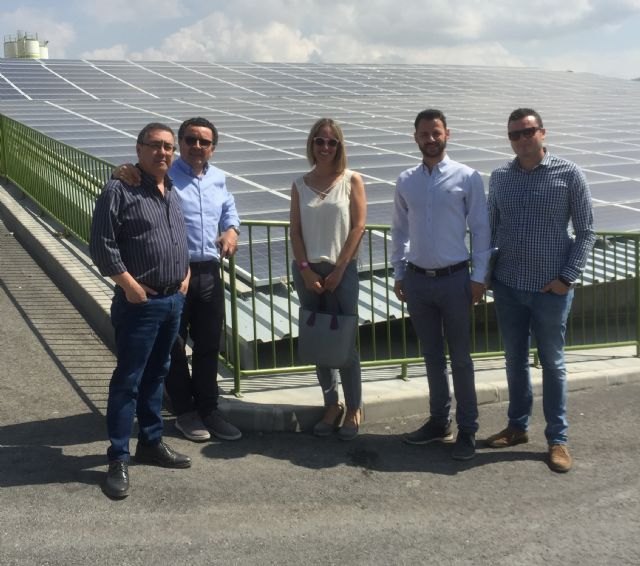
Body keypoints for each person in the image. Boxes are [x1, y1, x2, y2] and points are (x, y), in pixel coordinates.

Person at [113, 117, 242, 443]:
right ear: (180, 144)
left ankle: (209, 409)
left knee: (209, 344)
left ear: (213, 148)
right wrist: (120, 170)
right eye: (190, 140)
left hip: (209, 272)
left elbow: (228, 206)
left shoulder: (218, 178)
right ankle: (185, 412)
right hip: (175, 274)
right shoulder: (165, 173)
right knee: (172, 346)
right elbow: (133, 174)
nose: (197, 146)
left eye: (204, 142)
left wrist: (231, 229)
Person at [486, 108, 595, 473]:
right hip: (508, 286)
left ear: (542, 133)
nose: (521, 139)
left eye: (527, 132)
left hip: (551, 290)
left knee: (553, 364)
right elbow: (490, 229)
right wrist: (485, 275)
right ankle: (517, 427)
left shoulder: (569, 173)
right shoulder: (500, 177)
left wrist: (567, 278)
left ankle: (557, 439)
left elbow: (586, 231)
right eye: (514, 134)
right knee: (515, 360)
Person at [90, 122, 192, 499]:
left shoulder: (171, 189)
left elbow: (177, 238)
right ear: (139, 148)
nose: (163, 152)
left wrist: (185, 276)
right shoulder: (120, 188)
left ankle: (150, 442)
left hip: (172, 300)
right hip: (141, 304)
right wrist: (130, 287)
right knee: (128, 380)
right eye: (155, 145)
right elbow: (102, 245)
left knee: (157, 374)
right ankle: (118, 457)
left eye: (168, 147)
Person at [391, 109, 491, 461]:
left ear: (447, 133)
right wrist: (399, 273)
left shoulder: (467, 177)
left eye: (436, 133)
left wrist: (479, 276)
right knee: (432, 357)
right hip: (418, 281)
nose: (430, 139)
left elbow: (481, 228)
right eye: (424, 134)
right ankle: (438, 422)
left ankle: (468, 429)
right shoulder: (406, 180)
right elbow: (400, 230)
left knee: (461, 360)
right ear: (415, 138)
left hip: (455, 281)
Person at [290, 118, 367, 440]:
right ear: (312, 144)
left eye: (331, 142)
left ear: (339, 146)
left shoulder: (351, 180)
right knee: (319, 340)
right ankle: (331, 404)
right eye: (319, 141)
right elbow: (295, 231)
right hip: (308, 272)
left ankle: (354, 407)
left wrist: (339, 270)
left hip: (342, 271)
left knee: (344, 342)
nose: (325, 147)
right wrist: (305, 270)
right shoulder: (300, 184)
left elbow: (358, 227)